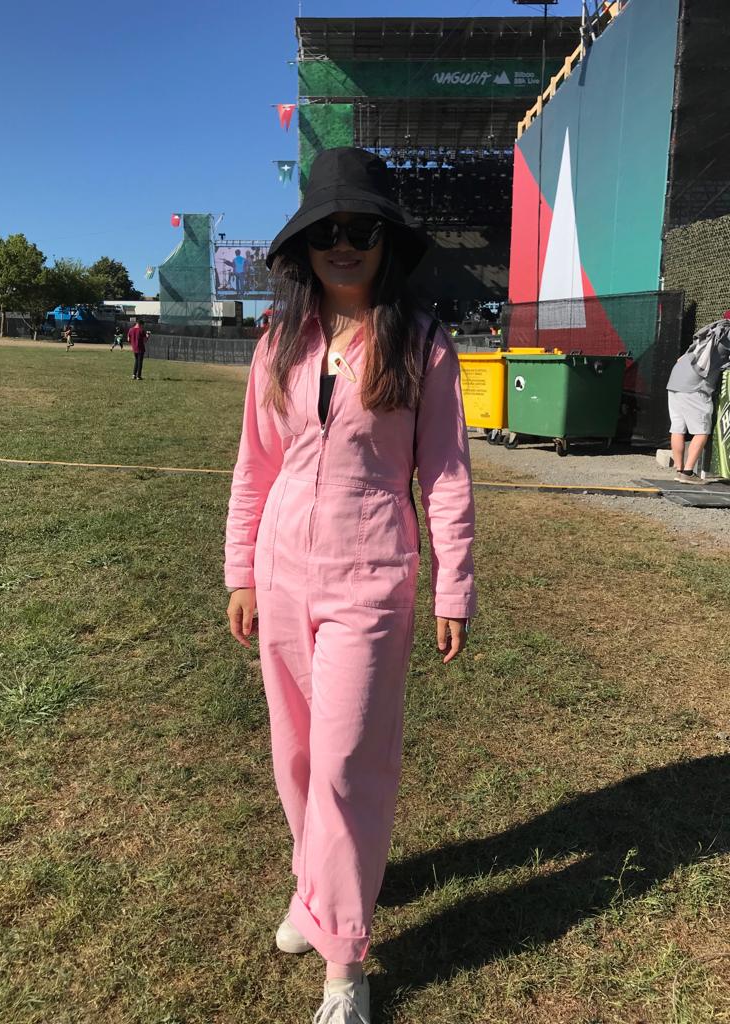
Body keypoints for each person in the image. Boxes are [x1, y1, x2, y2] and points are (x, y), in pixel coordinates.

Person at [224, 147, 475, 1024]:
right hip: (282, 577)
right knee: (293, 757)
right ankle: (312, 891)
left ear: (384, 240)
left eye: (359, 229)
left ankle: (346, 964)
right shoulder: (277, 340)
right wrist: (241, 570)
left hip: (371, 578)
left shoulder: (423, 343)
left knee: (343, 766)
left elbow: (444, 474)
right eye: (327, 230)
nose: (343, 245)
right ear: (304, 245)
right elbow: (254, 468)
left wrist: (454, 586)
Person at [667, 311, 730, 483]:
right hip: (694, 384)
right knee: (702, 431)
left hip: (675, 380)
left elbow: (681, 359)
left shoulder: (710, 331)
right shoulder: (727, 334)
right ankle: (688, 474)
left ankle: (679, 470)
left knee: (677, 428)